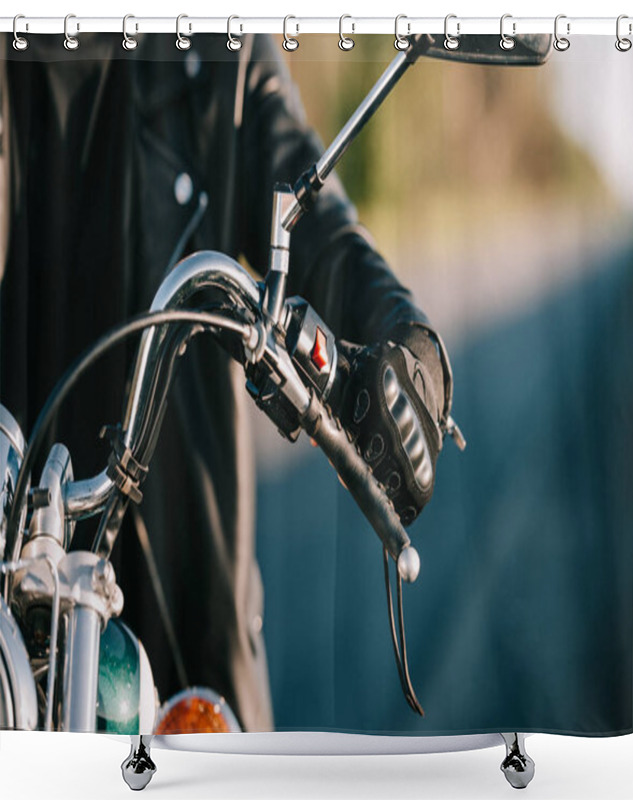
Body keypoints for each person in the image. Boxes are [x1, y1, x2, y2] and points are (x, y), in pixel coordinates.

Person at [0, 32, 452, 731]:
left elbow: (310, 211)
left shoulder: (206, 45)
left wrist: (403, 337)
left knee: (207, 730)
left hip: (174, 596)